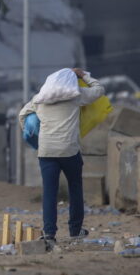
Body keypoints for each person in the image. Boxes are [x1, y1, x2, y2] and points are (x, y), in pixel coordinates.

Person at [19, 68, 104, 243]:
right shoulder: (76, 95)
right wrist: (84, 75)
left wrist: (35, 140)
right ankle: (75, 230)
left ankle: (49, 234)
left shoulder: (39, 99)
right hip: (69, 151)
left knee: (50, 193)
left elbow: (23, 116)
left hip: (46, 151)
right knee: (75, 189)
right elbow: (99, 90)